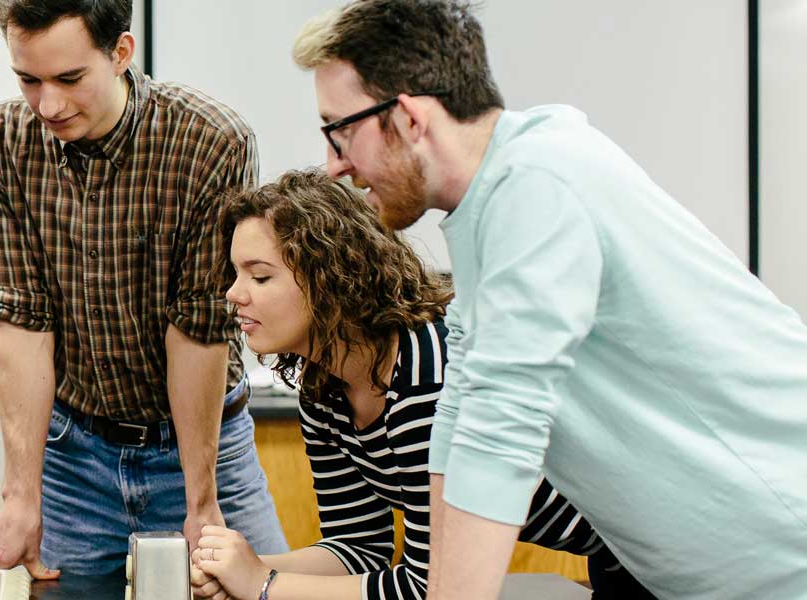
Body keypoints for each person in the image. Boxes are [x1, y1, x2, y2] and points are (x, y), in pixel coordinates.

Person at [290, 1, 807, 597]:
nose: (334, 165)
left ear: (408, 118)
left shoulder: (539, 184)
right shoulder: (490, 205)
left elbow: (501, 431)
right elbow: (459, 421)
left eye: (340, 131)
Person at [189, 170, 650, 600]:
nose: (233, 293)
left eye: (260, 275)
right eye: (235, 274)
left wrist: (264, 584)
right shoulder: (324, 391)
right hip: (618, 555)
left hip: (662, 547)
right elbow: (357, 550)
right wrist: (239, 570)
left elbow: (427, 587)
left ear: (329, 277)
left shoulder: (425, 378)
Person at [0, 0, 287, 578]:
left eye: (69, 79)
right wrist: (21, 494)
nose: (49, 105)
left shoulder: (209, 143)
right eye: (28, 79)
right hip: (76, 459)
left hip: (202, 447)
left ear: (120, 53)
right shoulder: (1, 141)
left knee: (260, 589)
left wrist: (200, 502)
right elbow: (22, 317)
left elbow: (199, 326)